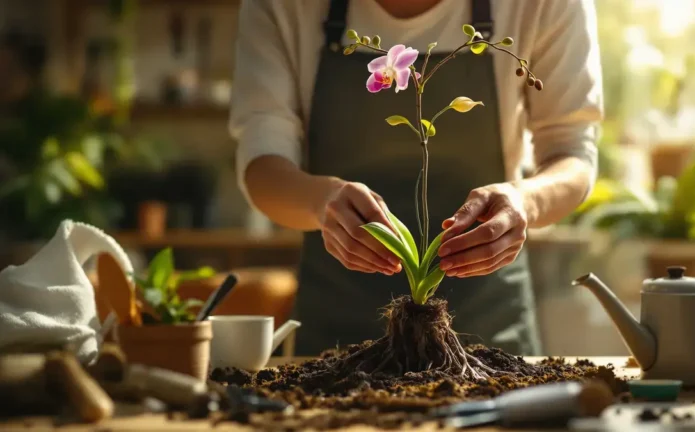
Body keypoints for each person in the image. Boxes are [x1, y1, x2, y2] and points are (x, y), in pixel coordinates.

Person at [231, 0, 602, 356]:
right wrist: (321, 201)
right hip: (335, 336)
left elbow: (571, 151)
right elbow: (263, 161)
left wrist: (526, 200)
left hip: (488, 333)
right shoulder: (281, 5)